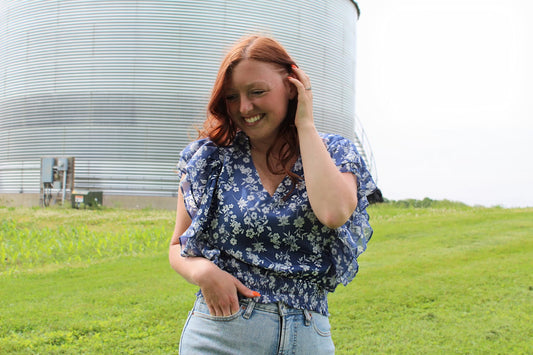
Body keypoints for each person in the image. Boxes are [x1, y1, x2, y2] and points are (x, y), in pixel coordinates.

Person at [169, 34, 376, 354]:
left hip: (307, 338)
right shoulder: (209, 158)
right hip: (222, 335)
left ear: (291, 87)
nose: (245, 107)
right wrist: (204, 272)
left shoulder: (335, 152)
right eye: (232, 97)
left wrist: (305, 123)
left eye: (257, 92)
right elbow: (177, 246)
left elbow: (334, 213)